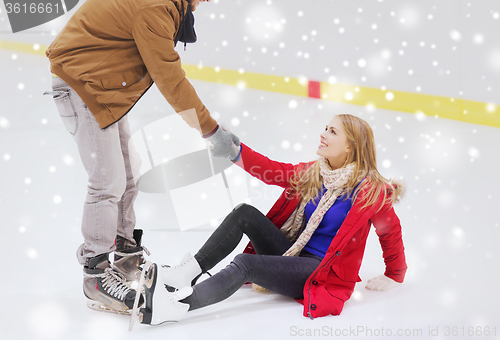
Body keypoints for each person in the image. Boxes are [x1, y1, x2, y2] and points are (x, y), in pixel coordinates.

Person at [44, 0, 239, 313]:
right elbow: (171, 80)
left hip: (100, 84)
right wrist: (212, 131)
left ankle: (124, 257)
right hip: (81, 82)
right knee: (107, 179)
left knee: (128, 172)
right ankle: (96, 274)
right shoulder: (156, 9)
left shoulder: (167, 6)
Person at [132, 113, 408, 325]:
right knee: (244, 213)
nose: (323, 134)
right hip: (292, 254)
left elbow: (390, 233)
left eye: (332, 132)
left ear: (351, 147)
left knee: (245, 264)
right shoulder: (315, 172)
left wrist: (395, 275)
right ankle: (184, 274)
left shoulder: (372, 191)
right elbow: (271, 170)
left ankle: (176, 307)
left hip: (319, 272)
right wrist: (235, 152)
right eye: (326, 127)